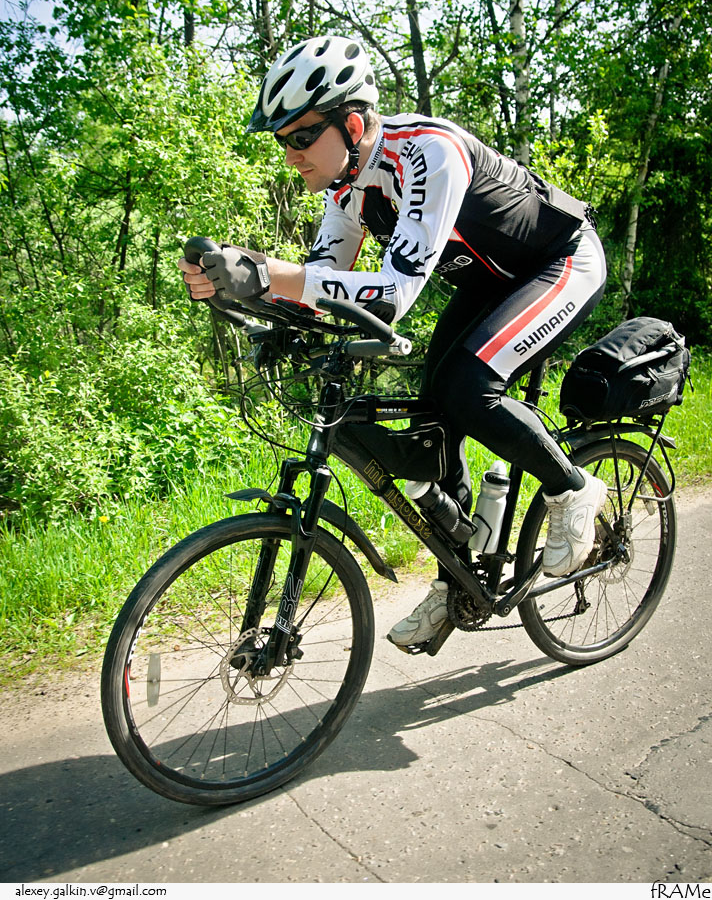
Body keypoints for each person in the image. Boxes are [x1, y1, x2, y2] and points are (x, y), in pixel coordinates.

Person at [179, 35, 608, 651]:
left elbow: (391, 295)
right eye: (282, 141)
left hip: (560, 261)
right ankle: (459, 577)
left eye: (302, 136)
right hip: (490, 282)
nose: (291, 154)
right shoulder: (345, 190)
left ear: (352, 125)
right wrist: (239, 290)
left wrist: (267, 272)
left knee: (467, 387)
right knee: (434, 419)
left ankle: (573, 488)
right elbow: (323, 286)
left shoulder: (430, 153)